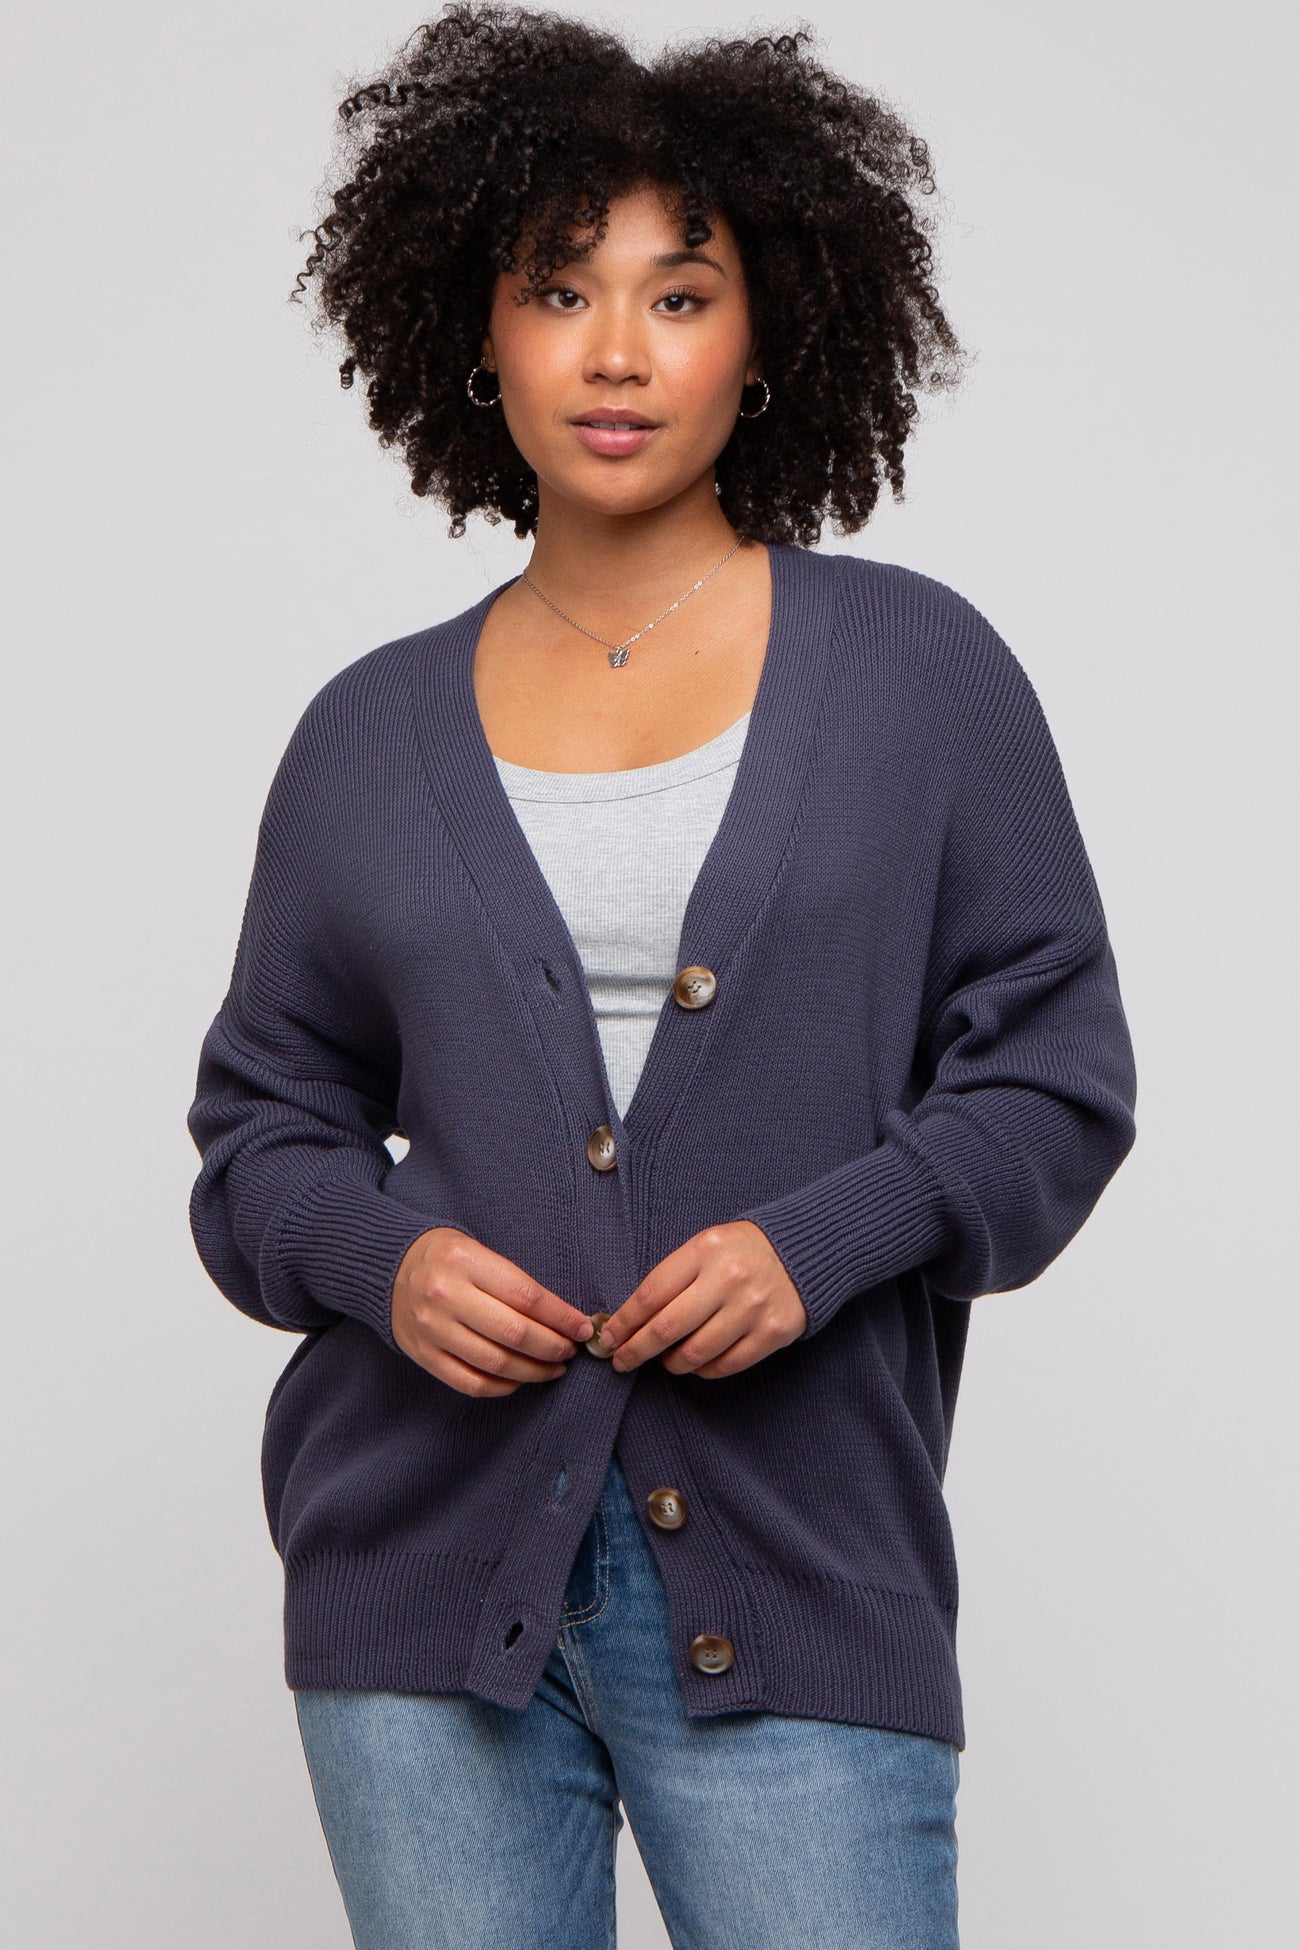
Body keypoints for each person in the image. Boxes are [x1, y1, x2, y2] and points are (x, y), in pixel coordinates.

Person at [185, 6, 1138, 1946]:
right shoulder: (365, 735)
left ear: (765, 336)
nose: (615, 350)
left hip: (798, 1565)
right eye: (560, 290)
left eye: (678, 295)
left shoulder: (915, 678)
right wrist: (386, 1260)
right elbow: (260, 1130)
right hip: (418, 1585)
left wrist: (826, 1239)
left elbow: (1052, 1077)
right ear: (479, 333)